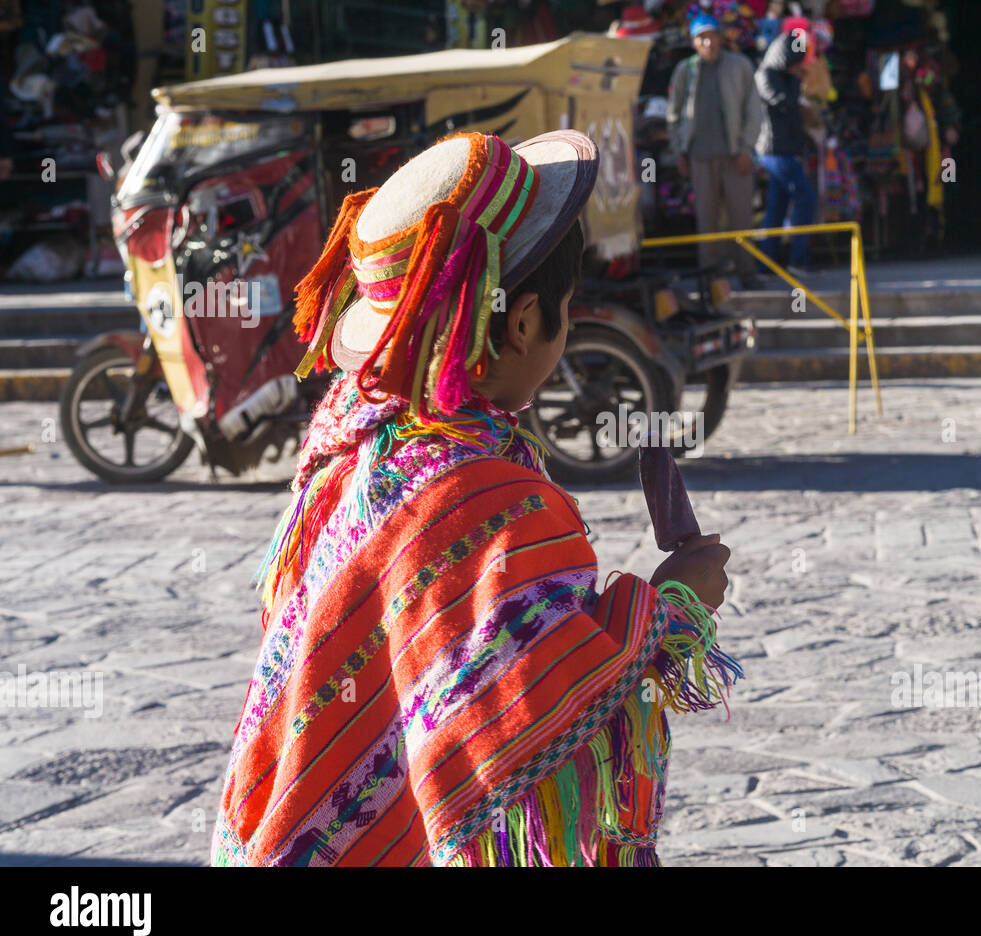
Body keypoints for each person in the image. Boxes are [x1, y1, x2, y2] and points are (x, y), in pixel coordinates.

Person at [210, 130, 741, 867]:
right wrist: (677, 605)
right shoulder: (487, 503)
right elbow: (543, 731)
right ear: (525, 322)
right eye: (566, 306)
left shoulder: (354, 439)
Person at [667, 14, 763, 289]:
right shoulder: (685, 70)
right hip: (699, 156)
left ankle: (747, 273)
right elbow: (674, 115)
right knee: (707, 221)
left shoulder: (740, 66)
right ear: (694, 42)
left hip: (735, 156)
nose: (708, 42)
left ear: (721, 38)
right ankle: (711, 280)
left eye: (712, 36)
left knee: (741, 216)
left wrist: (747, 148)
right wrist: (679, 152)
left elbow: (753, 110)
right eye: (701, 37)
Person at [755, 28, 817, 278]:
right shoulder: (766, 74)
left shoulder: (785, 76)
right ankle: (798, 259)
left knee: (777, 208)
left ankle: (766, 264)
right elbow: (783, 103)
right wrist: (795, 79)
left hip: (785, 150)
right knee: (805, 197)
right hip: (773, 150)